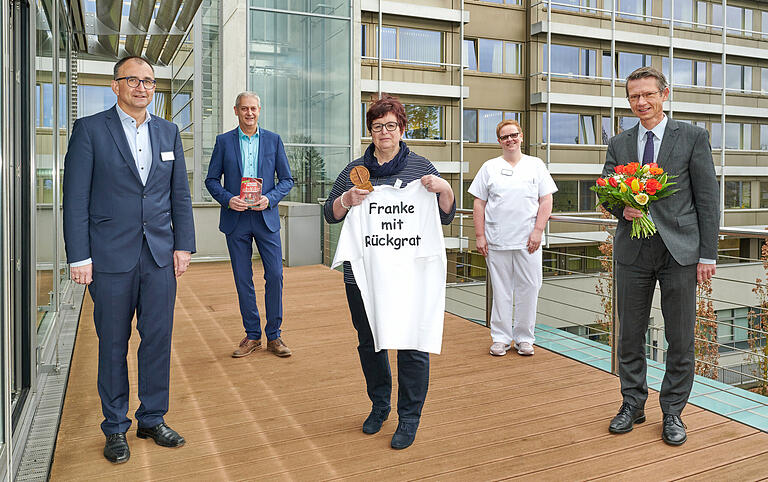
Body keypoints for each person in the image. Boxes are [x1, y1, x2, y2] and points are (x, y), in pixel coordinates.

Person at [63, 56, 196, 464]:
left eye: (149, 81)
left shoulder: (169, 131)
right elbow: (76, 200)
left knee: (157, 341)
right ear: (115, 86)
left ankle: (152, 418)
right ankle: (115, 427)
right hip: (109, 257)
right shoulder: (89, 130)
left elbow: (179, 195)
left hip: (158, 256)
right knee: (113, 344)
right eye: (133, 80)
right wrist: (79, 256)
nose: (142, 87)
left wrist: (184, 245)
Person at [324, 94, 455, 450]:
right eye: (378, 126)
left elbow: (445, 215)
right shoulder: (355, 172)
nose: (385, 132)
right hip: (364, 277)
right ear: (370, 130)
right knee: (370, 343)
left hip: (410, 277)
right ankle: (379, 405)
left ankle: (409, 417)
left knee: (412, 342)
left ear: (402, 129)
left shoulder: (422, 168)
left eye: (391, 125)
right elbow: (330, 213)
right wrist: (346, 200)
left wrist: (444, 188)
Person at [601, 67, 719, 446]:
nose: (642, 103)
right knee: (630, 335)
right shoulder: (619, 143)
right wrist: (623, 210)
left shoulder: (693, 137)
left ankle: (673, 412)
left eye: (648, 94)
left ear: (664, 94)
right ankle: (632, 404)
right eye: (634, 96)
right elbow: (605, 192)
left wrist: (708, 254)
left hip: (680, 252)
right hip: (633, 251)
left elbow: (707, 199)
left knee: (680, 338)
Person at [205, 92, 295, 358]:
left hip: (266, 218)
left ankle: (274, 336)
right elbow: (211, 180)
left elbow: (287, 180)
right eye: (244, 109)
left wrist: (270, 198)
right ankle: (253, 335)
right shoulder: (223, 142)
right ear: (236, 111)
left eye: (254, 108)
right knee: (243, 279)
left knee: (275, 276)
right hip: (237, 219)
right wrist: (228, 199)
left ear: (259, 110)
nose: (250, 113)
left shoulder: (274, 140)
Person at [469, 119, 557, 357]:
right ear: (499, 141)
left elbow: (546, 200)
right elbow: (479, 203)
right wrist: (479, 235)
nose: (510, 139)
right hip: (497, 239)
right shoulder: (489, 167)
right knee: (501, 289)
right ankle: (500, 338)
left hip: (529, 240)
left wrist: (538, 230)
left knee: (530, 287)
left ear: (521, 136)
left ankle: (525, 338)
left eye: (513, 135)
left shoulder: (535, 165)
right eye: (504, 136)